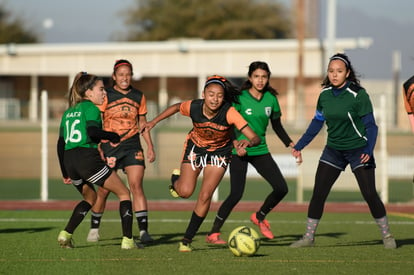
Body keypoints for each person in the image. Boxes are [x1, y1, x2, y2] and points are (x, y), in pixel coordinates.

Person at [289, 53, 396, 249]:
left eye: (339, 71)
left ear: (347, 73)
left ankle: (387, 235)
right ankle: (308, 237)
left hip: (359, 150)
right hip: (334, 150)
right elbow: (317, 122)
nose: (334, 75)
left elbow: (371, 126)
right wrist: (299, 145)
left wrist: (368, 149)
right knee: (318, 193)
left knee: (370, 194)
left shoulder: (358, 95)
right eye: (331, 71)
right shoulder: (324, 95)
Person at [142, 75, 261, 252]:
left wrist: (247, 143)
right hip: (195, 148)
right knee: (185, 192)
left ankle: (186, 240)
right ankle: (176, 179)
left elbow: (255, 137)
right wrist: (153, 121)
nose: (215, 99)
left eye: (219, 95)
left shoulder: (229, 112)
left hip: (219, 153)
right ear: (203, 94)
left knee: (205, 196)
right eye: (211, 94)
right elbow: (175, 107)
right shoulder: (194, 106)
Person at [206, 61, 300, 244]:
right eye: (256, 76)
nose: (260, 80)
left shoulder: (271, 99)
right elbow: (229, 124)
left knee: (282, 188)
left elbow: (277, 125)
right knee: (236, 194)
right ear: (250, 78)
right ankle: (213, 233)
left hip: (260, 149)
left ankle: (259, 216)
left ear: (268, 79)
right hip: (237, 151)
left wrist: (291, 144)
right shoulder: (239, 98)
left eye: (264, 77)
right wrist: (236, 144)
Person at [56, 72, 136, 249]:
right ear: (89, 93)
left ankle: (66, 234)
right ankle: (128, 240)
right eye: (101, 89)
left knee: (90, 198)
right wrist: (112, 135)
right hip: (86, 159)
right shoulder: (91, 108)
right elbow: (92, 132)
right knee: (124, 193)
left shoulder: (68, 112)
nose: (104, 93)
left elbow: (61, 144)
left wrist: (65, 172)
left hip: (70, 161)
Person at [86, 59, 156, 244]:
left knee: (136, 186)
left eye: (128, 74)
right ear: (114, 76)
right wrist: (100, 144)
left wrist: (150, 146)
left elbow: (143, 123)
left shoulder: (139, 96)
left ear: (131, 75)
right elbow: (98, 120)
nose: (125, 78)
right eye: (121, 74)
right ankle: (94, 228)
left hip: (132, 145)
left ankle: (143, 232)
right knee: (103, 190)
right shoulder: (105, 94)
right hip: (111, 146)